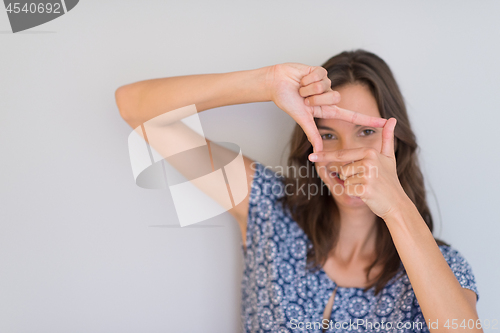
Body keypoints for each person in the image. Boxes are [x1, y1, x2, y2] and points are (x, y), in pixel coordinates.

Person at [115, 50, 481, 332]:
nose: (344, 156)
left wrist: (397, 207)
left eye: (366, 132)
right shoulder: (269, 209)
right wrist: (265, 82)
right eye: (327, 134)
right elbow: (132, 106)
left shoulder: (445, 268)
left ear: (396, 142)